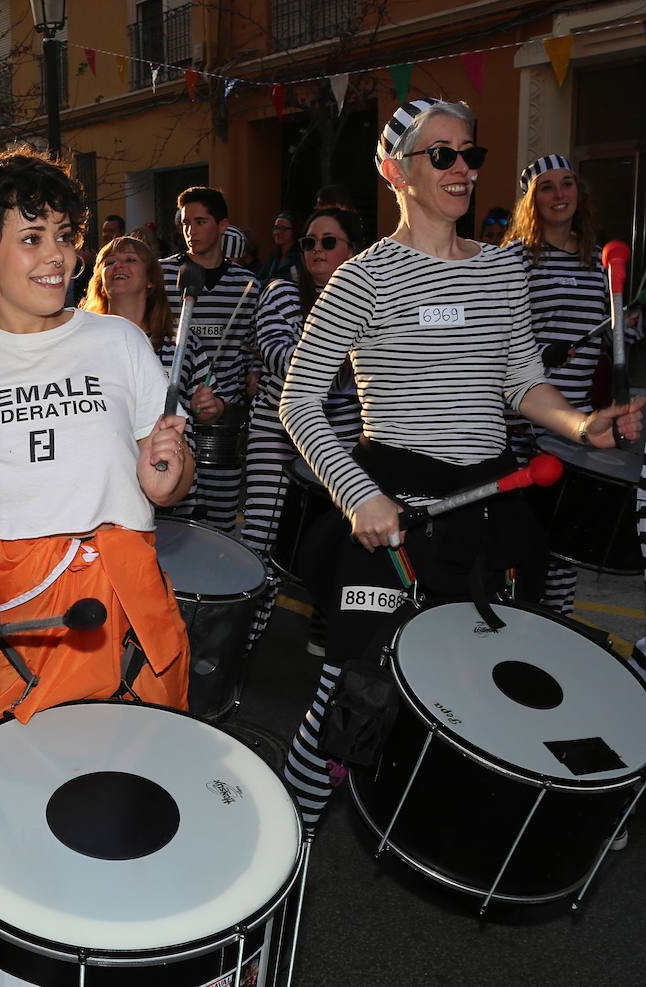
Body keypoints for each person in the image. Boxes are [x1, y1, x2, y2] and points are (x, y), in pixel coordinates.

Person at [276, 98, 644, 834]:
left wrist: (581, 422)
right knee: (346, 698)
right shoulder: (362, 278)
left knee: (480, 692)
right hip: (396, 507)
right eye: (440, 153)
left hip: (490, 503)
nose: (462, 167)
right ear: (395, 171)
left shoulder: (505, 269)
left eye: (469, 153)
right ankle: (285, 854)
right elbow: (298, 401)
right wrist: (357, 494)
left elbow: (521, 378)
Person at [0, 149, 193, 986]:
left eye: (64, 234)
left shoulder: (121, 340)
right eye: (29, 237)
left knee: (132, 819)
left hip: (129, 610)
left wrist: (169, 470)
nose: (57, 255)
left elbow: (162, 480)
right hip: (18, 624)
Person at [502, 154, 640, 616]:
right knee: (522, 549)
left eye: (567, 184)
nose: (560, 194)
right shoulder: (513, 259)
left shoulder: (594, 259)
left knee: (564, 554)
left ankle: (552, 633)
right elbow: (497, 337)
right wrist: (536, 353)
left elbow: (614, 333)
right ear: (530, 199)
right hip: (521, 424)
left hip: (577, 425)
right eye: (547, 187)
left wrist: (630, 325)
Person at [239, 208, 364, 649]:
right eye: (310, 242)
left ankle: (324, 622)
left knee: (334, 540)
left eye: (329, 242)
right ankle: (242, 640)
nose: (316, 250)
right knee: (261, 538)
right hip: (277, 427)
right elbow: (274, 350)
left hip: (339, 437)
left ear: (352, 248)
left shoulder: (368, 299)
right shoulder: (282, 291)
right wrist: (341, 364)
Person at [159, 187, 259, 532]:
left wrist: (255, 372)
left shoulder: (246, 283)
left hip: (223, 422)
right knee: (174, 520)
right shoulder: (161, 276)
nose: (191, 231)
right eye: (186, 223)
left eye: (200, 222)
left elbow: (253, 346)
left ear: (222, 226)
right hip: (173, 420)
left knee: (221, 522)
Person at [81, 234, 223, 422]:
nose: (118, 265)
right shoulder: (82, 340)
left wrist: (208, 406)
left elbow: (214, 405)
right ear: (101, 284)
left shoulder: (180, 340)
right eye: (110, 262)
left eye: (130, 259)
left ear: (151, 281)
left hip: (170, 448)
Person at [256, 210, 302, 284]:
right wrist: (269, 282)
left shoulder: (299, 258)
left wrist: (277, 282)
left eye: (284, 229)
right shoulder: (273, 257)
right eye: (276, 228)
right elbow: (257, 281)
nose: (278, 232)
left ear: (294, 231)